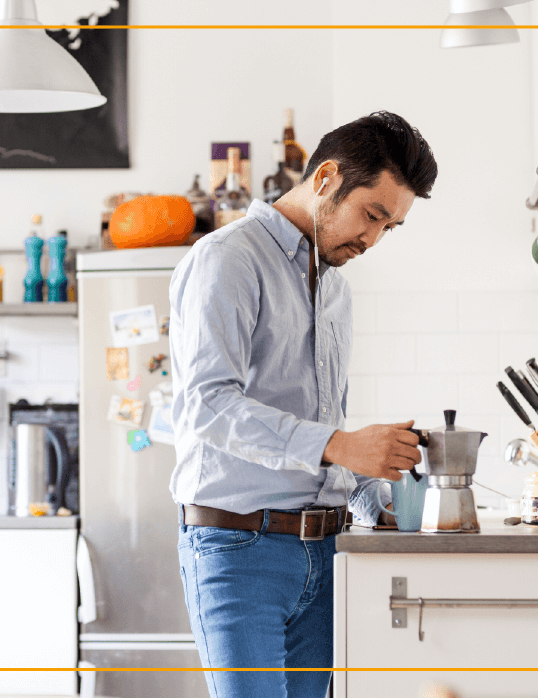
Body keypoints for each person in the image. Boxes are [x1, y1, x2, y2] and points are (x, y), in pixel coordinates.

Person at [168, 110, 439, 698]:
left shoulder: (336, 287)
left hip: (323, 551)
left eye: (389, 228)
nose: (372, 240)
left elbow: (322, 432)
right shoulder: (229, 259)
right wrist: (342, 445)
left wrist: (373, 497)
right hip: (239, 552)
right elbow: (206, 407)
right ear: (325, 179)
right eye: (372, 215)